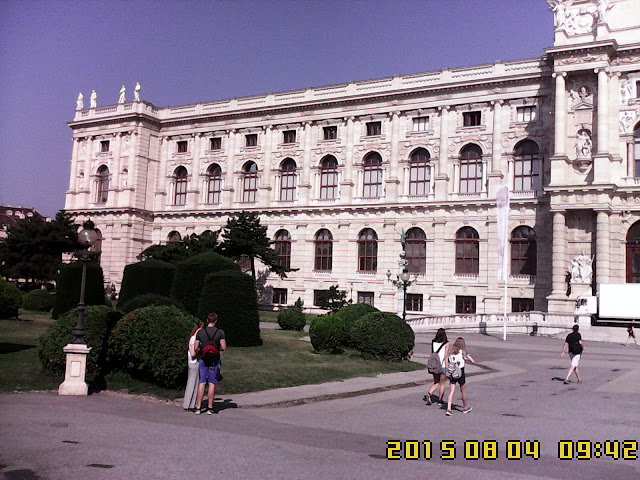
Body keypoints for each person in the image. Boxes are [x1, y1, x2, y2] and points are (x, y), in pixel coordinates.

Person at [194, 313, 226, 415]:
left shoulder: (201, 332)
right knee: (212, 383)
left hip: (203, 359)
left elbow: (195, 347)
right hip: (214, 360)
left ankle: (198, 407)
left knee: (202, 382)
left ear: (207, 320)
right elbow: (224, 347)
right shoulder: (220, 332)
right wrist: (216, 349)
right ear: (215, 321)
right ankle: (210, 407)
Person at [445, 337, 477, 416]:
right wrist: (466, 359)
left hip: (452, 372)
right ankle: (465, 407)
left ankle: (448, 408)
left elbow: (449, 361)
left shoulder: (451, 352)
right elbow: (473, 360)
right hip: (460, 371)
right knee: (462, 390)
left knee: (452, 390)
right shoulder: (463, 352)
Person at [424, 328, 449, 406]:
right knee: (442, 383)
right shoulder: (446, 343)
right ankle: (440, 400)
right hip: (442, 365)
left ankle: (429, 393)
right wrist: (447, 366)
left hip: (435, 365)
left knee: (436, 382)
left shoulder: (433, 342)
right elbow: (445, 356)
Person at [183, 322, 204, 411]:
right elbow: (193, 353)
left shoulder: (194, 338)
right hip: (194, 362)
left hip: (194, 362)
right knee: (192, 382)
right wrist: (199, 350)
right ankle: (187, 404)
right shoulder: (194, 338)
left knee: (195, 383)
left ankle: (191, 404)